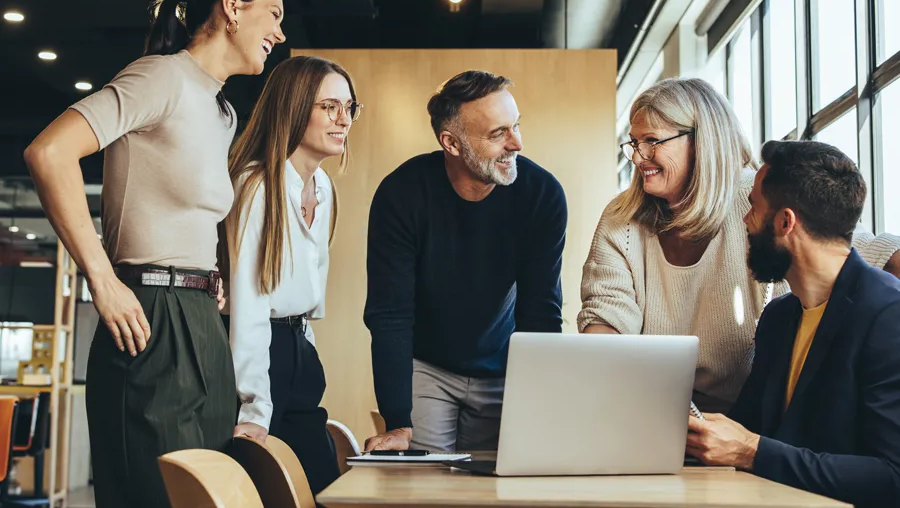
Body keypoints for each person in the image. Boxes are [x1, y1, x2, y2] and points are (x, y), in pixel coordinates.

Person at [23, 0, 286, 508]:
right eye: (273, 14)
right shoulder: (161, 76)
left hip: (200, 320)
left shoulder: (223, 113)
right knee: (153, 495)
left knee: (207, 494)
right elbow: (49, 153)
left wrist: (209, 273)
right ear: (233, 8)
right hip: (146, 314)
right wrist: (102, 278)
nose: (280, 34)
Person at [578, 78, 900, 414]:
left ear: (700, 142)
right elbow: (606, 315)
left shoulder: (758, 200)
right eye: (634, 142)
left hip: (750, 417)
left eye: (652, 141)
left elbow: (862, 252)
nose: (638, 157)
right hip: (655, 411)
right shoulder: (622, 217)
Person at [686, 140, 900, 507]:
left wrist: (752, 452)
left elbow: (892, 477)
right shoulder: (780, 317)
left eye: (753, 206)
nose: (745, 220)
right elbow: (748, 429)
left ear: (785, 221)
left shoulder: (889, 315)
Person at [363, 70, 567, 453]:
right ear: (451, 143)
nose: (517, 144)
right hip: (427, 366)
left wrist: (541, 407)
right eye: (498, 134)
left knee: (493, 488)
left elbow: (541, 310)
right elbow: (390, 313)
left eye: (516, 126)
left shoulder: (543, 195)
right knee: (428, 487)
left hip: (506, 365)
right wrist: (397, 421)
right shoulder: (401, 194)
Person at [224, 56, 359, 496]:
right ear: (295, 107)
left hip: (299, 349)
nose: (343, 120)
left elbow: (310, 290)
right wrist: (254, 408)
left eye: (349, 108)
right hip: (260, 356)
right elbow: (248, 304)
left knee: (321, 488)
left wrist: (307, 350)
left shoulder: (322, 187)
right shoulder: (256, 185)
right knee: (260, 492)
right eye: (330, 107)